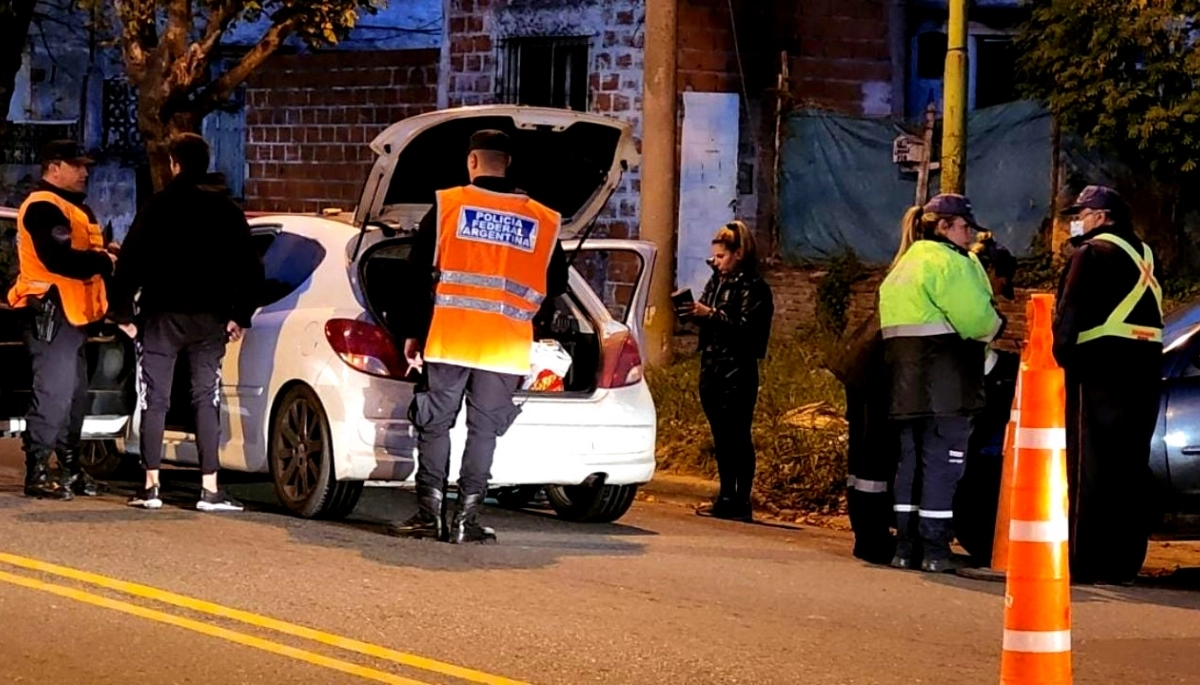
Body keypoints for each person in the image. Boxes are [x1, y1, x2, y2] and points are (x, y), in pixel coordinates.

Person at [388, 129, 569, 544]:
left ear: (472, 161)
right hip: (506, 344)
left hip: (451, 337)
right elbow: (556, 280)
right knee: (483, 431)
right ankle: (467, 519)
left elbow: (417, 273)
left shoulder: (450, 204)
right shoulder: (542, 218)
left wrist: (413, 331)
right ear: (508, 163)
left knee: (435, 424)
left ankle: (428, 513)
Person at [110, 133, 264, 512]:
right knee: (205, 398)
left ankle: (151, 485)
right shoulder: (226, 210)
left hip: (162, 314)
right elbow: (251, 268)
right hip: (210, 316)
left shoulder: (158, 206)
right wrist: (239, 314)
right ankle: (209, 488)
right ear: (205, 161)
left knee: (154, 398)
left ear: (175, 163)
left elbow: (130, 261)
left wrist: (124, 315)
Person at [879, 194, 1004, 573]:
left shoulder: (902, 267)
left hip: (905, 388)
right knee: (943, 467)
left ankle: (905, 547)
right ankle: (935, 551)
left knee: (910, 465)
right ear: (945, 226)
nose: (970, 236)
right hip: (947, 387)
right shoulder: (951, 263)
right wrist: (1000, 326)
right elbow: (977, 321)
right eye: (966, 227)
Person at [1052, 185, 1163, 586]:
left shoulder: (1092, 254)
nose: (1074, 221)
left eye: (1079, 212)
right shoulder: (1147, 256)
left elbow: (1069, 316)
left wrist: (1062, 359)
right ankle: (1123, 564)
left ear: (1101, 216)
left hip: (1099, 369)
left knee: (1089, 469)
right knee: (1130, 467)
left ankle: (1085, 562)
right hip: (1145, 370)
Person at [9, 140, 115, 500]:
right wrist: (103, 261)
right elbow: (58, 260)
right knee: (54, 393)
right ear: (53, 168)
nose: (84, 172)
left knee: (75, 396)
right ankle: (37, 471)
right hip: (51, 313)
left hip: (75, 315)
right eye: (76, 165)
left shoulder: (71, 207)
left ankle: (71, 469)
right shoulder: (43, 206)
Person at [677, 221, 774, 522]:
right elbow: (707, 319)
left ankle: (740, 499)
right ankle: (725, 495)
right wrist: (692, 312)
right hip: (712, 365)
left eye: (721, 257)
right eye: (714, 258)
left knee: (737, 436)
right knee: (721, 437)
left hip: (738, 368)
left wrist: (713, 315)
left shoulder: (754, 288)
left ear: (739, 253)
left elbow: (747, 330)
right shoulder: (716, 283)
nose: (716, 263)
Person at [953, 233, 1020, 564]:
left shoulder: (958, 271)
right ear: (992, 269)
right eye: (1001, 282)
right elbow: (981, 334)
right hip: (962, 382)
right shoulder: (971, 280)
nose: (998, 290)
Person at [824, 304, 897, 564]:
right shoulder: (948, 271)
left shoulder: (903, 272)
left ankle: (865, 536)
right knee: (872, 463)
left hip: (861, 368)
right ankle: (872, 539)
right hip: (875, 375)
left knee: (862, 462)